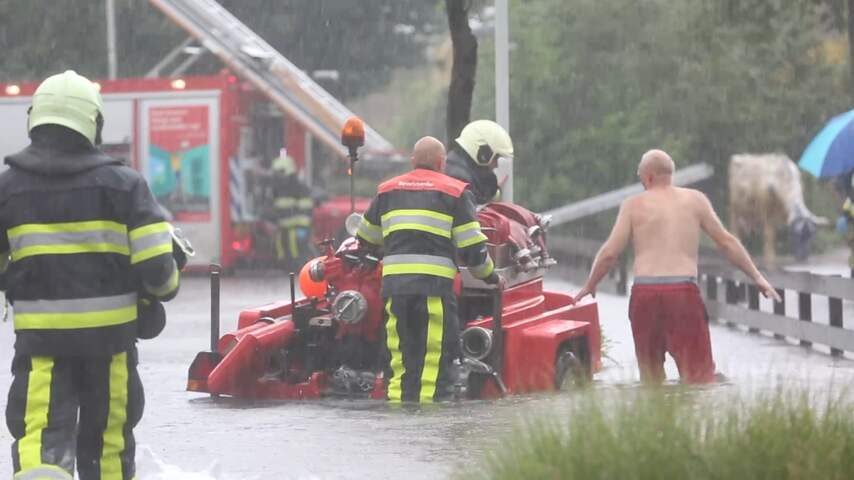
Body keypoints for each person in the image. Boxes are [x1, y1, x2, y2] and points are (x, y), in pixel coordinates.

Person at [2, 71, 181, 480]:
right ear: (93, 124)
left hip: (42, 348)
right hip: (111, 348)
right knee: (109, 444)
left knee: (40, 440)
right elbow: (160, 273)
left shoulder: (7, 190)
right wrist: (165, 284)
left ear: (36, 119)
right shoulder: (126, 186)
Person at [572, 149, 780, 385]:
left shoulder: (632, 206)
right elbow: (726, 242)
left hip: (645, 296)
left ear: (648, 176)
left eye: (640, 175)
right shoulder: (695, 200)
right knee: (700, 379)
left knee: (651, 382)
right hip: (682, 294)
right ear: (669, 174)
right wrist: (757, 277)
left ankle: (655, 419)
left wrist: (591, 284)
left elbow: (610, 253)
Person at [356, 136, 499, 402]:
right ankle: (428, 426)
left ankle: (399, 418)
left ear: (413, 161)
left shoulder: (387, 191)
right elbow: (474, 251)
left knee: (399, 361)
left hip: (395, 291)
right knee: (434, 360)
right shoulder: (455, 192)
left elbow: (366, 237)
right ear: (441, 163)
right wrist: (491, 276)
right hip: (434, 293)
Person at [444, 120, 514, 205]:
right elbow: (472, 213)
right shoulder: (460, 182)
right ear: (483, 154)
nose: (496, 165)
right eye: (495, 158)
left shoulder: (457, 168)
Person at [266, 151, 314, 268]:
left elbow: (300, 210)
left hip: (297, 227)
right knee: (281, 245)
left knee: (294, 247)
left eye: (279, 173)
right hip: (286, 227)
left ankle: (295, 265)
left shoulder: (296, 188)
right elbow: (275, 209)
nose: (277, 177)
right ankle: (286, 264)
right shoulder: (279, 189)